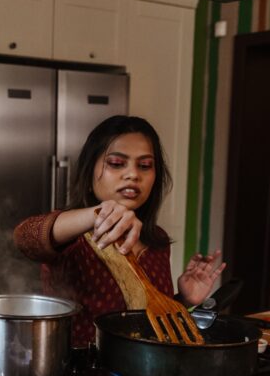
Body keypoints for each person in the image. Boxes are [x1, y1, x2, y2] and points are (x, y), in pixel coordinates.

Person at [13, 115, 225, 347]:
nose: (133, 174)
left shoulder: (158, 240)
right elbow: (25, 237)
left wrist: (183, 300)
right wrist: (97, 214)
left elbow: (148, 323)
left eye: (145, 165)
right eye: (116, 163)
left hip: (143, 375)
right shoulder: (72, 234)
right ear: (89, 171)